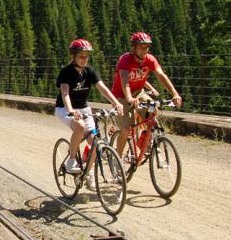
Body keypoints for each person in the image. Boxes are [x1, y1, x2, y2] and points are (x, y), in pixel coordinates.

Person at [55, 38, 122, 174]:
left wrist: (116, 102)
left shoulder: (89, 71)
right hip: (64, 109)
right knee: (80, 126)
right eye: (81, 56)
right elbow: (65, 93)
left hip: (84, 108)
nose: (84, 59)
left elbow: (102, 88)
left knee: (94, 144)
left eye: (86, 56)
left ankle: (88, 174)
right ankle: (71, 161)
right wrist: (71, 111)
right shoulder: (66, 72)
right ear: (73, 56)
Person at [111, 31, 182, 157]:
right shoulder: (125, 60)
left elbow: (161, 76)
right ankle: (118, 158)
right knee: (126, 129)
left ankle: (146, 142)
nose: (145, 50)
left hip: (139, 93)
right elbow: (125, 82)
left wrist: (175, 94)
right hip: (120, 96)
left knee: (152, 109)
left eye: (147, 47)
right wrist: (129, 98)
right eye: (141, 47)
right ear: (133, 47)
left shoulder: (150, 59)